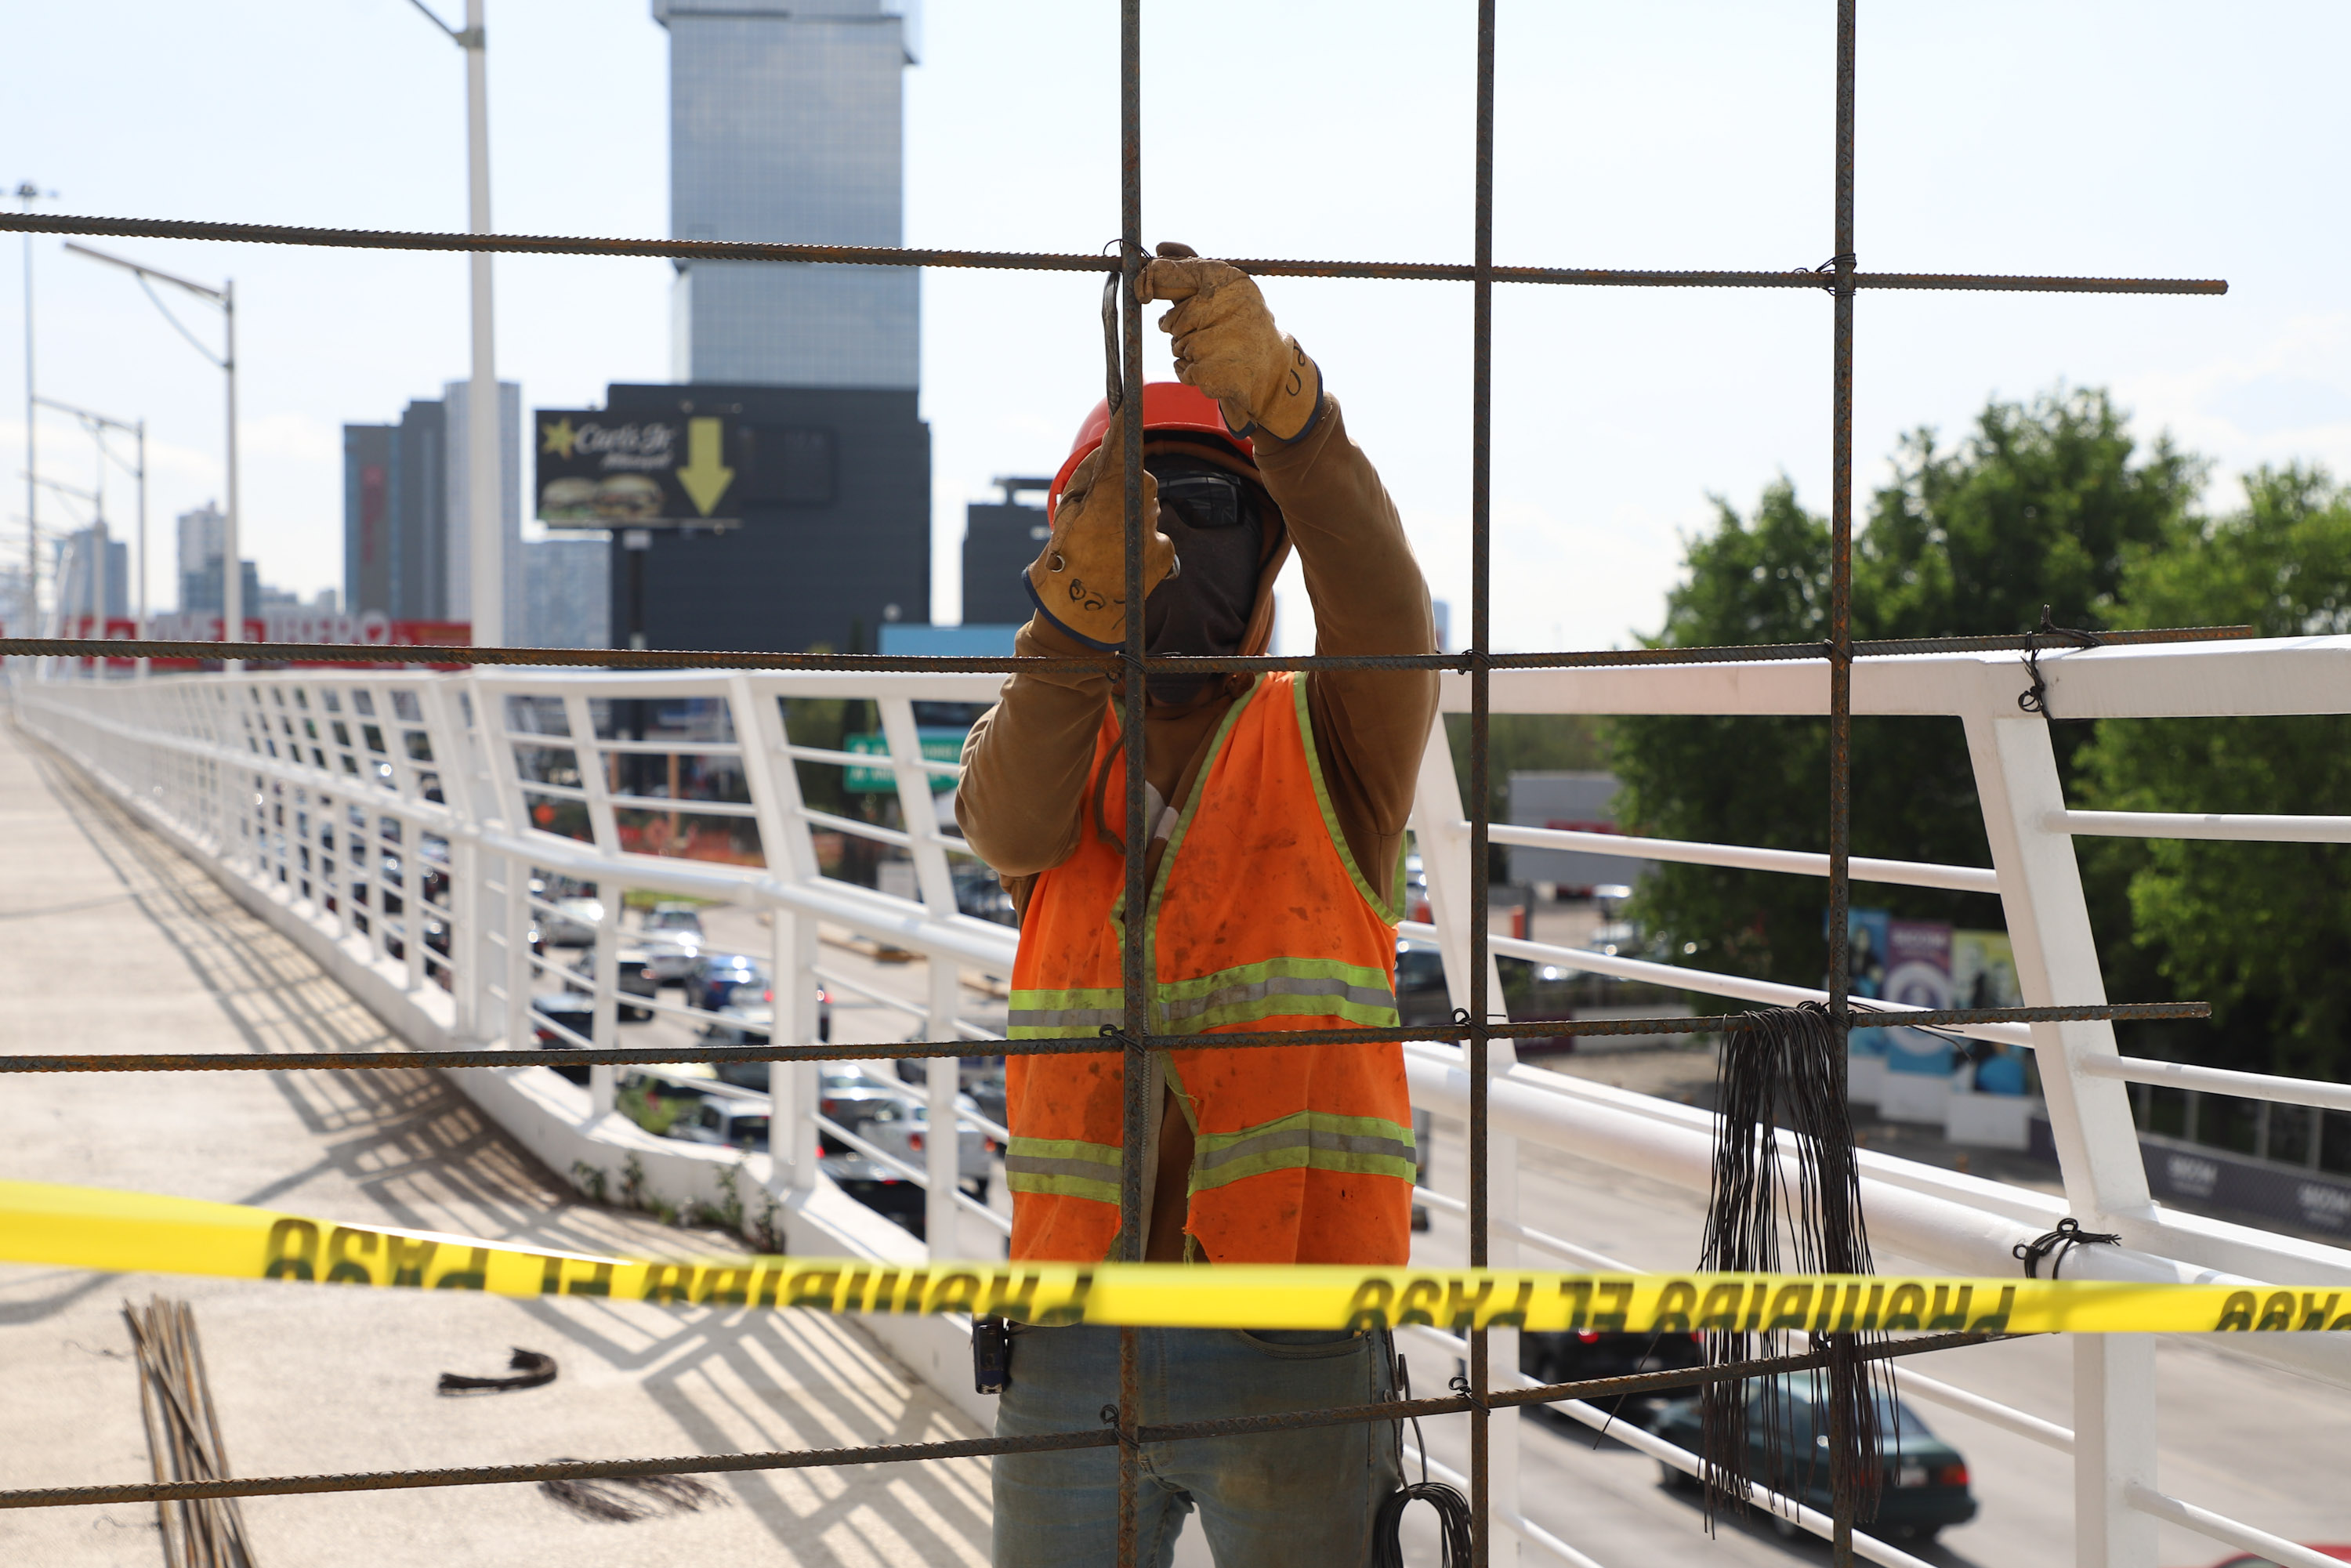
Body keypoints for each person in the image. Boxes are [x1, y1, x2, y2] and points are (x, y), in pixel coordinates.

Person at [957, 244, 1440, 1566]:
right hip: (1070, 1332)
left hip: (1288, 1338)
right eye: (1144, 516)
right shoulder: (1062, 750)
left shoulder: (1333, 739)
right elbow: (998, 820)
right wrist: (1073, 630)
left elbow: (1388, 603)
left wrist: (1291, 417)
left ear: (1270, 551)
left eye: (1213, 514)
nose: (1180, 542)